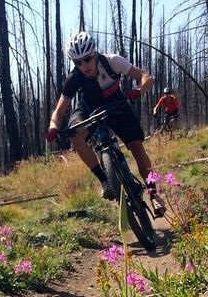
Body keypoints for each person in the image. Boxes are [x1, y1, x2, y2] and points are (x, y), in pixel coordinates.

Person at [46, 31, 165, 217]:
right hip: (88, 108)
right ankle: (105, 181)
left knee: (137, 148)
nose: (83, 65)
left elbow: (146, 77)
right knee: (75, 135)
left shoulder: (112, 62)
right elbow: (59, 112)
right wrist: (53, 127)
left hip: (116, 105)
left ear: (94, 54)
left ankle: (154, 194)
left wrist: (139, 90)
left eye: (87, 59)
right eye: (77, 62)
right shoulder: (74, 78)